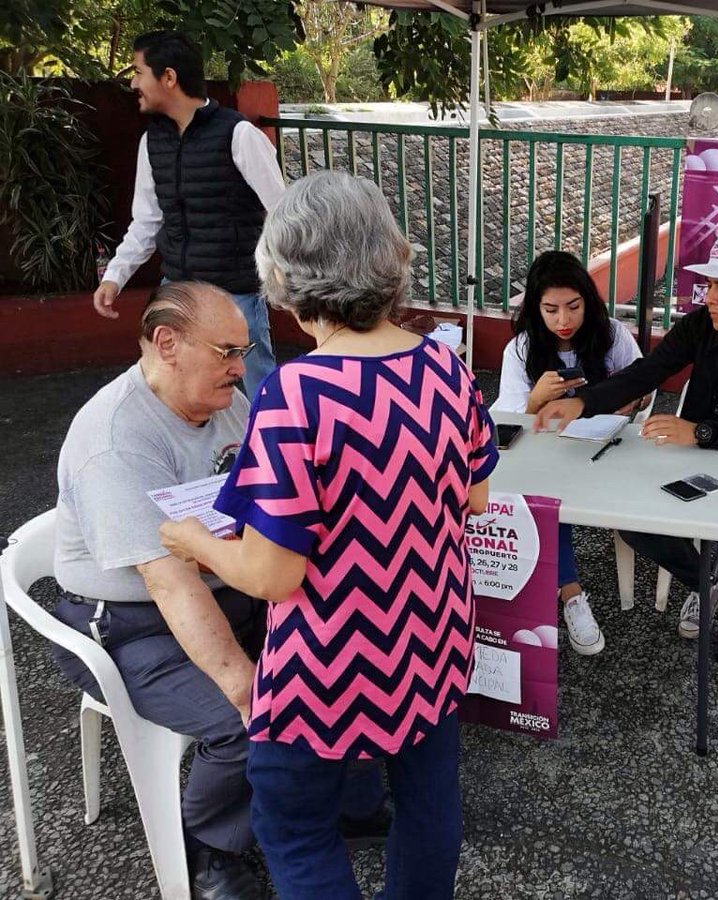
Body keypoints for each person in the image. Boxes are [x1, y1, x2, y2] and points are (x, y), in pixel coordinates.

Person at [159, 170, 497, 900]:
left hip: (332, 665)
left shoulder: (295, 393)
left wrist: (194, 542)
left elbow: (274, 576)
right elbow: (475, 496)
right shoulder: (446, 364)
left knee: (290, 822)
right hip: (434, 636)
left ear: (283, 273)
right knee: (430, 803)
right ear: (389, 256)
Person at [51, 282, 388, 900]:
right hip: (128, 621)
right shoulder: (117, 439)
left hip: (226, 583)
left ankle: (343, 799)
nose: (241, 367)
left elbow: (269, 499)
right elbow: (168, 580)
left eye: (245, 350)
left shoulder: (225, 400)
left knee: (339, 654)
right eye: (228, 351)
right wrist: (241, 683)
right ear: (167, 343)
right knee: (251, 714)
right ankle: (208, 846)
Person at [534, 231, 718, 664]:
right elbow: (646, 372)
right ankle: (705, 580)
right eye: (709, 286)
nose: (711, 298)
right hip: (701, 461)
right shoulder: (699, 326)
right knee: (632, 521)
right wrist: (582, 402)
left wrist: (700, 432)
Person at [93, 30, 285, 397]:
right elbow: (147, 221)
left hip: (237, 292)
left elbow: (283, 214)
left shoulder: (239, 134)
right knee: (172, 381)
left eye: (138, 72)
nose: (134, 83)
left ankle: (273, 451)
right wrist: (114, 277)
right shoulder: (152, 142)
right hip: (178, 290)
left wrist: (289, 286)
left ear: (168, 77)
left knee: (259, 388)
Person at [492, 251, 645, 656]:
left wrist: (629, 400)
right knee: (546, 502)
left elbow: (644, 383)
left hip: (608, 451)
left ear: (588, 302)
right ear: (535, 309)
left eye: (574, 307)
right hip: (550, 457)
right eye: (551, 309)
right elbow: (505, 420)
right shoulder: (522, 349)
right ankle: (572, 593)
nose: (564, 320)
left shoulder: (611, 334)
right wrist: (534, 401)